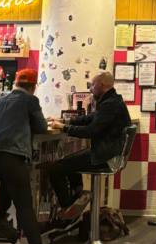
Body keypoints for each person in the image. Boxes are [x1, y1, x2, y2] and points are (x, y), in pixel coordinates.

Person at [0, 68, 57, 244]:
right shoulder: (30, 101)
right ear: (33, 86)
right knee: (24, 205)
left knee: (10, 183)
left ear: (16, 83)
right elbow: (42, 128)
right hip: (12, 156)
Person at [47, 71, 131, 215]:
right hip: (107, 152)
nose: (90, 89)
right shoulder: (113, 101)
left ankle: (67, 210)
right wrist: (65, 120)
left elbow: (91, 131)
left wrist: (64, 128)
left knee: (55, 170)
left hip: (105, 157)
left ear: (102, 84)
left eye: (92, 85)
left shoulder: (110, 104)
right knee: (70, 162)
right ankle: (80, 197)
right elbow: (91, 118)